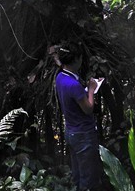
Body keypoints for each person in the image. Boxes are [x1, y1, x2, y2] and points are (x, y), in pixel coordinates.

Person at [54, 45, 103, 191]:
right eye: (80, 58)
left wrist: (86, 89)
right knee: (88, 178)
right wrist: (92, 90)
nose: (82, 60)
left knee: (77, 174)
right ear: (76, 60)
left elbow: (74, 99)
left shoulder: (60, 77)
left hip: (71, 132)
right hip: (84, 135)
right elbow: (88, 109)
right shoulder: (73, 85)